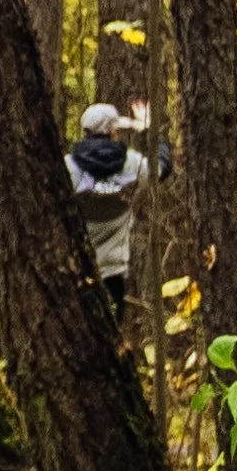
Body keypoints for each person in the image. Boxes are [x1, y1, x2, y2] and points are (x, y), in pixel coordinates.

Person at [68, 101, 153, 324]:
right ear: (114, 132)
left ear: (85, 130)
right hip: (115, 269)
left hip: (77, 269)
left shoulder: (67, 167)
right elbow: (161, 167)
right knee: (113, 330)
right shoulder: (133, 164)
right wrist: (148, 130)